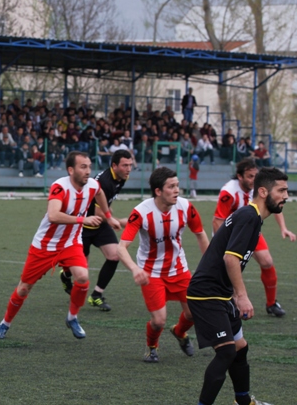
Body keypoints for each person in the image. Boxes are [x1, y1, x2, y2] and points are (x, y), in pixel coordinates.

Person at [0, 152, 121, 341]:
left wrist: (108, 217)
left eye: (89, 166)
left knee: (83, 277)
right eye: (83, 167)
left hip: (71, 243)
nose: (88, 171)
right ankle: (5, 323)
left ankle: (72, 318)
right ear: (71, 170)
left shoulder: (92, 185)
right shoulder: (60, 187)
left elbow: (100, 193)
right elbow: (53, 215)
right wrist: (83, 219)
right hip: (45, 246)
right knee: (23, 289)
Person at [187, 167, 288, 405]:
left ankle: (244, 402)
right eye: (281, 190)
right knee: (226, 352)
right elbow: (230, 258)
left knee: (240, 349)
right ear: (263, 192)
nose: (286, 196)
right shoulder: (248, 216)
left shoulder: (252, 217)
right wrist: (242, 296)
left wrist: (232, 293)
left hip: (221, 294)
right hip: (206, 294)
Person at [117, 167, 209, 363]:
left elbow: (200, 234)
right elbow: (121, 247)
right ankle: (152, 347)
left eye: (177, 185)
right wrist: (135, 269)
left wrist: (210, 265)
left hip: (179, 270)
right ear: (158, 191)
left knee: (194, 313)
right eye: (171, 187)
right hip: (151, 273)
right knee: (158, 321)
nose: (177, 190)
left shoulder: (186, 207)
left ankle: (179, 332)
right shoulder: (141, 212)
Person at [212, 158, 295, 317]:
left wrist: (283, 228)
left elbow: (273, 204)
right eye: (249, 176)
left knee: (267, 261)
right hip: (230, 234)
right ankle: (227, 301)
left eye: (255, 176)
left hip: (250, 230)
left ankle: (271, 304)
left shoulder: (259, 187)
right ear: (240, 176)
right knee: (229, 268)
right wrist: (223, 244)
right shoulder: (228, 192)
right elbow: (217, 221)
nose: (253, 179)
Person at [59, 150, 132, 311]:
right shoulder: (105, 182)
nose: (128, 169)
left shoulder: (121, 178)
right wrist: (118, 221)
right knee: (80, 270)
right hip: (82, 226)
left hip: (100, 225)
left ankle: (96, 295)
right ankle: (65, 276)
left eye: (130, 165)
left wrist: (110, 215)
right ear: (114, 166)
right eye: (125, 165)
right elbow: (99, 212)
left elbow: (106, 205)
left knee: (114, 255)